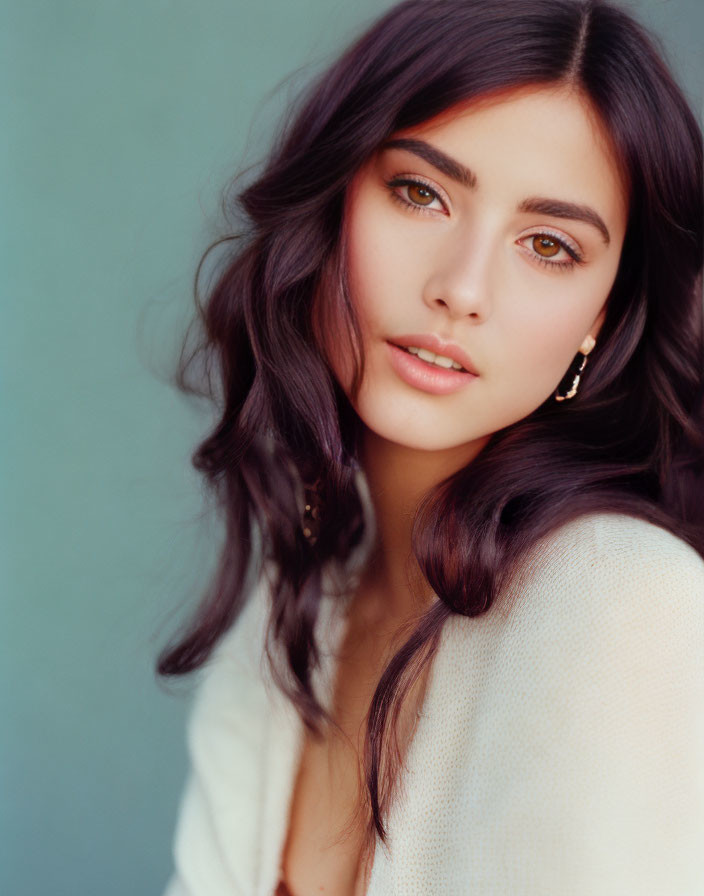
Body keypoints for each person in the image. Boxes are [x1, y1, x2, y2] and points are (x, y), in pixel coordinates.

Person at [157, 0, 704, 893]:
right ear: (334, 199)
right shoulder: (295, 597)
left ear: (600, 322)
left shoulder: (624, 604)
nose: (462, 288)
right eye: (420, 192)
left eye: (549, 245)